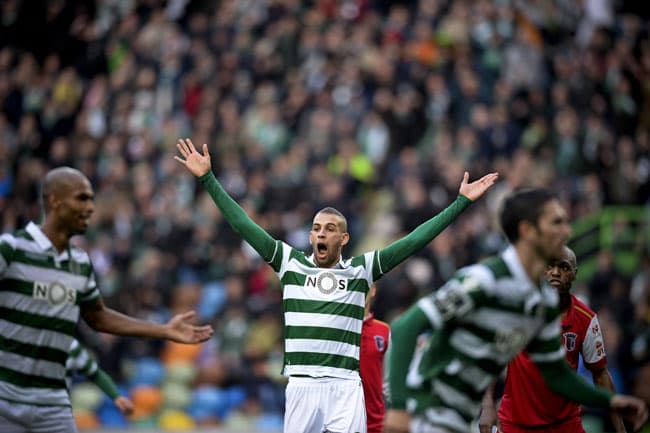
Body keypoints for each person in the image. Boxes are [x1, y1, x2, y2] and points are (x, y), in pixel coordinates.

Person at [174, 138, 499, 433]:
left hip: (345, 385)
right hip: (301, 383)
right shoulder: (290, 263)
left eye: (330, 228)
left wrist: (460, 203)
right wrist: (208, 179)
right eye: (317, 228)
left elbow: (414, 240)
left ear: (343, 238)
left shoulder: (361, 270)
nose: (322, 233)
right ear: (312, 236)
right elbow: (243, 224)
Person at [384, 188, 648, 433]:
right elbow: (405, 327)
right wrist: (397, 408)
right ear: (528, 230)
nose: (567, 231)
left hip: (458, 417)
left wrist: (611, 401)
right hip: (426, 413)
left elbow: (556, 374)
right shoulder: (485, 281)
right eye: (556, 222)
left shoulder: (541, 301)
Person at [0, 166, 213, 433]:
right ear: (54, 200)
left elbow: (98, 317)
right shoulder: (12, 249)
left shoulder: (78, 263)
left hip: (52, 403)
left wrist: (163, 330)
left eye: (91, 199)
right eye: (82, 198)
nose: (90, 207)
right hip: (5, 399)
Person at [479, 246, 627, 433]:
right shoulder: (518, 307)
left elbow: (600, 374)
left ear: (575, 273)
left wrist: (620, 429)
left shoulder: (586, 319)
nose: (556, 273)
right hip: (516, 423)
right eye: (549, 266)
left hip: (565, 424)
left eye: (564, 267)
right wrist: (487, 406)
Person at [66, 338, 134, 416]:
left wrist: (116, 396)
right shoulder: (88, 345)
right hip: (82, 390)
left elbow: (95, 373)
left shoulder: (73, 346)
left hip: (61, 408)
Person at [360, 285, 390, 433]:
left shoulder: (385, 331)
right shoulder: (335, 328)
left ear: (373, 290)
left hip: (375, 424)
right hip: (339, 422)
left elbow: (389, 382)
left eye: (364, 284)